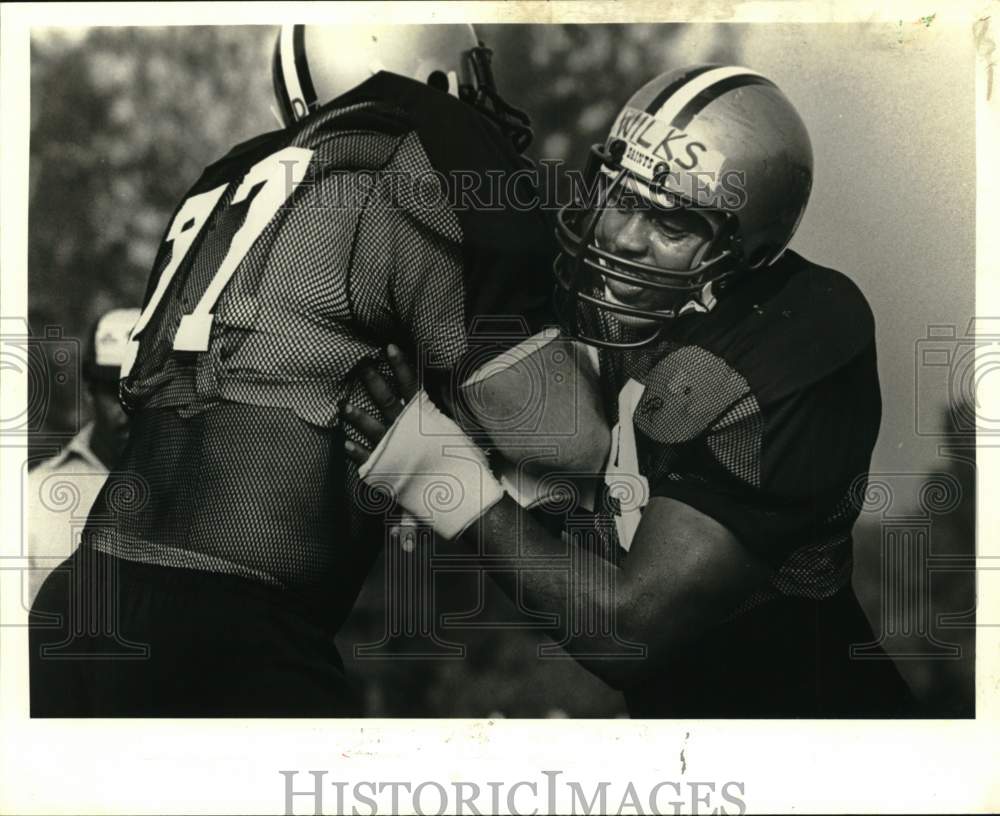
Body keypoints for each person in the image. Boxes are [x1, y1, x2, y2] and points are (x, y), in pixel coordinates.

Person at [344, 64, 917, 717]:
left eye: (670, 226)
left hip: (825, 751)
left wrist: (433, 470)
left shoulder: (800, 331)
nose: (622, 237)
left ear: (746, 256)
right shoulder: (585, 300)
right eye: (619, 195)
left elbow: (632, 633)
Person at [29, 24, 561, 716]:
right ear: (424, 75)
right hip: (229, 630)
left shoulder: (231, 181)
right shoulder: (404, 174)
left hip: (82, 600)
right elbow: (558, 441)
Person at [26, 308, 138, 607]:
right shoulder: (33, 495)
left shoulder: (194, 491)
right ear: (89, 390)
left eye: (142, 391)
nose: (128, 406)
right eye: (114, 391)